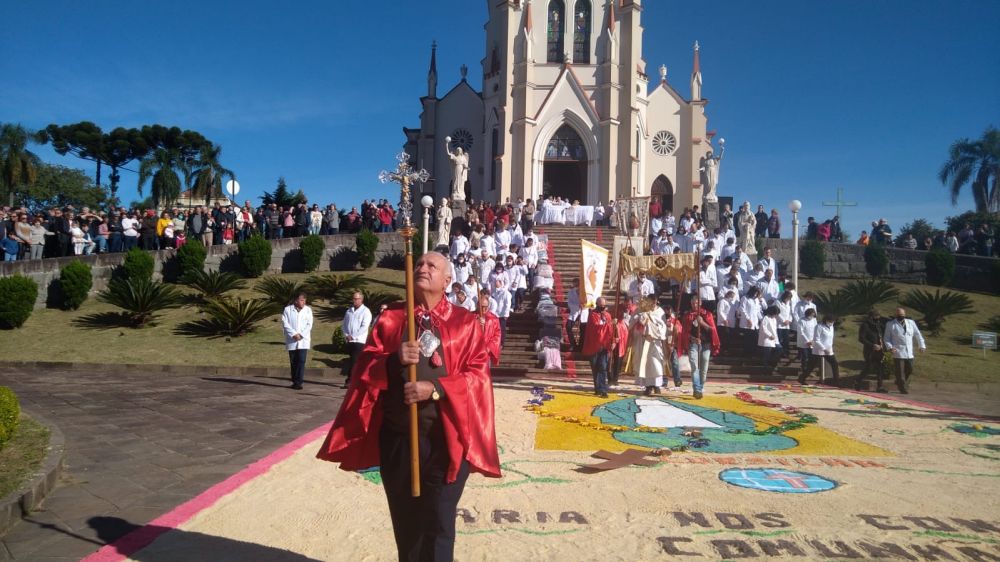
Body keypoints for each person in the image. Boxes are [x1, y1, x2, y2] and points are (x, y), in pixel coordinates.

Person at [316, 251, 500, 562]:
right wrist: (393, 359)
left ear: (447, 279)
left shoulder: (466, 323)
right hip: (399, 440)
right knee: (407, 526)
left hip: (447, 442)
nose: (422, 269)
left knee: (439, 523)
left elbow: (477, 376)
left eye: (432, 265)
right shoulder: (392, 319)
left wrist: (436, 389)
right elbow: (364, 369)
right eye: (419, 264)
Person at [679, 296, 720, 399]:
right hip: (694, 344)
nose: (694, 305)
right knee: (694, 365)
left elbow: (712, 330)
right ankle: (696, 388)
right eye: (693, 303)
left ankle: (700, 386)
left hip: (706, 344)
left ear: (700, 303)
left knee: (704, 366)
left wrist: (702, 323)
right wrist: (692, 338)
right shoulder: (687, 316)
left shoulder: (707, 314)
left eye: (697, 303)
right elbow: (684, 332)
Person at [883, 307, 926, 394]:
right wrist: (890, 347)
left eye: (902, 315)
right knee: (900, 371)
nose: (901, 316)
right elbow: (886, 338)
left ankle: (899, 381)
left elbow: (918, 334)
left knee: (910, 369)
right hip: (898, 351)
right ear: (896, 315)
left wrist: (922, 345)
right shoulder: (891, 324)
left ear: (905, 315)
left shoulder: (911, 323)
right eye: (899, 315)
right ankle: (902, 388)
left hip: (909, 352)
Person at [630, 296, 668, 395]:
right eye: (651, 301)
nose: (653, 303)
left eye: (654, 302)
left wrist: (656, 330)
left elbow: (663, 326)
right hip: (644, 341)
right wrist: (640, 321)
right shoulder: (640, 311)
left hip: (655, 342)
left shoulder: (660, 312)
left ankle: (657, 385)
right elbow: (632, 324)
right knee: (646, 364)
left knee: (656, 364)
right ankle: (648, 386)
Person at [582, 297, 615, 398]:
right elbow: (597, 329)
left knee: (603, 367)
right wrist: (610, 324)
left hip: (605, 345)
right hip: (594, 345)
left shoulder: (608, 315)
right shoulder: (592, 315)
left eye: (604, 305)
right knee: (595, 368)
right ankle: (597, 388)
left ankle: (603, 389)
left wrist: (613, 341)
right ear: (597, 304)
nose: (603, 307)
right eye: (601, 305)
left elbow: (611, 331)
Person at [282, 293, 314, 390]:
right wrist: (294, 334)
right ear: (296, 300)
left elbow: (309, 324)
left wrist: (301, 335)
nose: (303, 302)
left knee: (301, 361)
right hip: (292, 340)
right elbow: (285, 323)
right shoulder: (287, 310)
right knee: (293, 361)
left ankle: (299, 382)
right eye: (301, 300)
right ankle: (294, 380)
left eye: (305, 300)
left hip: (303, 340)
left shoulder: (308, 310)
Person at [342, 291, 373, 389]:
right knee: (353, 360)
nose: (354, 301)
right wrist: (346, 335)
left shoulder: (366, 311)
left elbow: (364, 326)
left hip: (359, 340)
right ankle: (357, 380)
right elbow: (344, 325)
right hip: (350, 340)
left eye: (357, 299)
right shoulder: (349, 311)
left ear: (361, 299)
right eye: (353, 298)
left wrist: (354, 336)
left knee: (354, 361)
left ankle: (350, 380)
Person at [799, 314, 839, 386]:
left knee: (834, 364)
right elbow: (816, 340)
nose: (832, 323)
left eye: (833, 321)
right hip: (819, 350)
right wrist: (823, 348)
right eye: (830, 321)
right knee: (811, 366)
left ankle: (836, 381)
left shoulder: (831, 326)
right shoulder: (819, 326)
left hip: (829, 350)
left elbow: (830, 338)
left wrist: (829, 348)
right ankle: (802, 378)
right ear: (826, 320)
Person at [856, 309, 888, 392]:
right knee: (868, 368)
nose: (877, 318)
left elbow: (882, 336)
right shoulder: (865, 325)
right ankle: (858, 382)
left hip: (880, 350)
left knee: (880, 368)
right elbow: (861, 338)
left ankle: (880, 386)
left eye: (878, 316)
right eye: (875, 316)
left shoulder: (879, 325)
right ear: (870, 317)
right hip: (869, 350)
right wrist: (872, 345)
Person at [477, 295, 502, 368]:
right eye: (482, 307)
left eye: (486, 307)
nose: (484, 309)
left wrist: (488, 348)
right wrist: (476, 322)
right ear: (477, 305)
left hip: (486, 351)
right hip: (473, 351)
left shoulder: (494, 319)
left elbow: (497, 335)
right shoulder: (471, 316)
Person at [758, 305, 781, 375]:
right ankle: (765, 366)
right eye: (775, 314)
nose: (776, 315)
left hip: (774, 339)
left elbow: (774, 330)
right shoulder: (766, 318)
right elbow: (763, 328)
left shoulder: (774, 319)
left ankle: (773, 363)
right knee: (767, 353)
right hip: (767, 339)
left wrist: (776, 339)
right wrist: (769, 335)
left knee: (780, 349)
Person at [796, 308, 817, 379]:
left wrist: (813, 340)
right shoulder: (801, 320)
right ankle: (804, 370)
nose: (812, 317)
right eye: (811, 315)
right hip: (803, 342)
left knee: (811, 358)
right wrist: (807, 341)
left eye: (813, 315)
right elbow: (801, 332)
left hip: (812, 342)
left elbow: (816, 330)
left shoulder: (814, 320)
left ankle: (809, 371)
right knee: (805, 356)